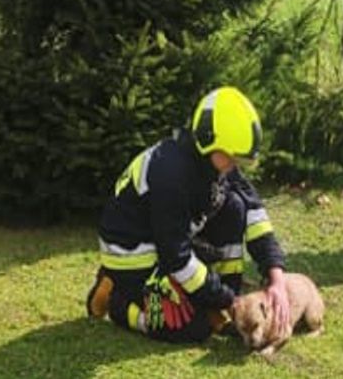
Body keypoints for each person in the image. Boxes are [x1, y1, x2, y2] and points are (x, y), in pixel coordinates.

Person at [84, 86, 291, 343]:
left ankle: (225, 299)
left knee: (235, 206)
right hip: (134, 258)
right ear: (208, 141)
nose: (234, 165)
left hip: (164, 245)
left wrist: (276, 277)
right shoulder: (172, 175)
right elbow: (176, 257)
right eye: (231, 157)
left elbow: (253, 210)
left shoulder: (215, 161)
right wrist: (225, 300)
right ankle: (117, 299)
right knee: (193, 326)